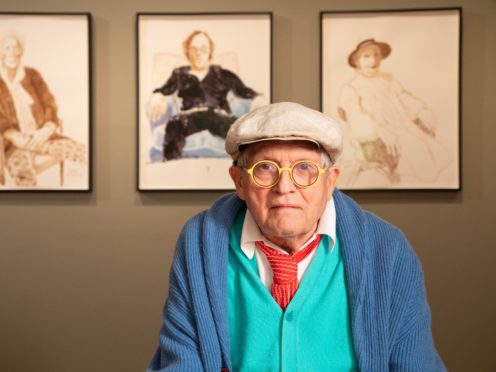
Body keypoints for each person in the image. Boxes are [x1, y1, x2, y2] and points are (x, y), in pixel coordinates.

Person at [147, 102, 446, 371]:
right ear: (239, 182)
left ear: (330, 182)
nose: (284, 186)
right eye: (266, 168)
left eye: (304, 169)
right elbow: (181, 362)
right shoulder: (199, 245)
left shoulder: (388, 250)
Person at [337, 39, 449, 187]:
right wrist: (379, 131)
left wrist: (421, 112)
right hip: (379, 138)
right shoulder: (352, 88)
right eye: (366, 56)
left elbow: (405, 98)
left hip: (405, 127)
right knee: (415, 151)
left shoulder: (388, 79)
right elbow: (357, 119)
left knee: (435, 150)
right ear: (357, 61)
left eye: (376, 55)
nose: (373, 60)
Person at [147, 30, 258, 160]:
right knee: (174, 125)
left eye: (203, 49)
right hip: (189, 118)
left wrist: (258, 99)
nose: (198, 53)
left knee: (238, 132)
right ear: (187, 52)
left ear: (210, 52)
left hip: (217, 116)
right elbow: (163, 90)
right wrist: (157, 97)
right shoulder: (179, 74)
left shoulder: (222, 74)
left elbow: (245, 91)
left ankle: (245, 163)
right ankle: (171, 164)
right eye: (194, 49)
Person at [0, 32, 87, 187]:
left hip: (43, 136)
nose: (12, 52)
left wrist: (46, 129)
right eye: (6, 48)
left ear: (21, 51)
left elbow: (49, 103)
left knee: (84, 153)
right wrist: (13, 135)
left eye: (16, 47)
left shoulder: (32, 75)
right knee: (24, 178)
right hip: (12, 145)